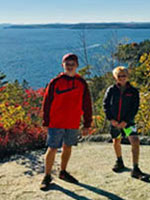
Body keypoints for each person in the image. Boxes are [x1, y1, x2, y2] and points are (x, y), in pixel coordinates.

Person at [40, 53, 92, 190]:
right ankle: (47, 176)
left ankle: (63, 172)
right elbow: (47, 102)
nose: (70, 67)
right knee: (52, 148)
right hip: (56, 122)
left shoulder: (81, 83)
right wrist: (45, 121)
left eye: (72, 64)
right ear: (63, 65)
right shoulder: (55, 82)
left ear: (77, 66)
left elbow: (87, 104)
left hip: (72, 122)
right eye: (67, 64)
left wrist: (87, 124)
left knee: (68, 147)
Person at [103, 66, 149, 180]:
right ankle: (119, 161)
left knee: (135, 141)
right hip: (114, 122)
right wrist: (111, 119)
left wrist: (126, 121)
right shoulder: (111, 90)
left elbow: (135, 108)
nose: (121, 78)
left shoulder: (133, 91)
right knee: (116, 140)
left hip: (128, 122)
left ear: (128, 76)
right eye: (119, 76)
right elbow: (106, 105)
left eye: (124, 76)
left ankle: (136, 168)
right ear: (115, 77)